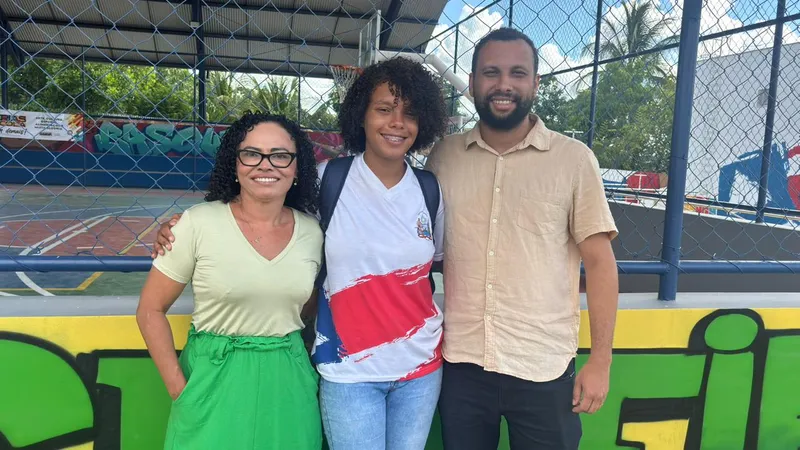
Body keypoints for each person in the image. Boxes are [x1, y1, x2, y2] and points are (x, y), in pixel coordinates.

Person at [151, 57, 450, 450]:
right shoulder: (330, 180)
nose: (397, 122)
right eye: (383, 109)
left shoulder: (429, 189)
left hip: (420, 366)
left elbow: (434, 263)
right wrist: (181, 226)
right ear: (361, 114)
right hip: (348, 368)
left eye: (410, 113)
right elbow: (266, 212)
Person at [424, 28, 619, 449]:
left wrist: (601, 360)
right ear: (472, 81)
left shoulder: (573, 160)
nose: (504, 84)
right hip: (461, 364)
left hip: (543, 366)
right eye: (491, 72)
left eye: (517, 73)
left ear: (535, 83)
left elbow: (600, 264)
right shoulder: (444, 157)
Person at [137, 112, 324, 450]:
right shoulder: (197, 224)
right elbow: (150, 309)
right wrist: (180, 390)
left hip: (288, 378)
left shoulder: (312, 233)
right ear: (234, 164)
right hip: (213, 375)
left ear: (297, 168)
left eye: (280, 155)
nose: (266, 165)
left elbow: (308, 305)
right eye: (252, 154)